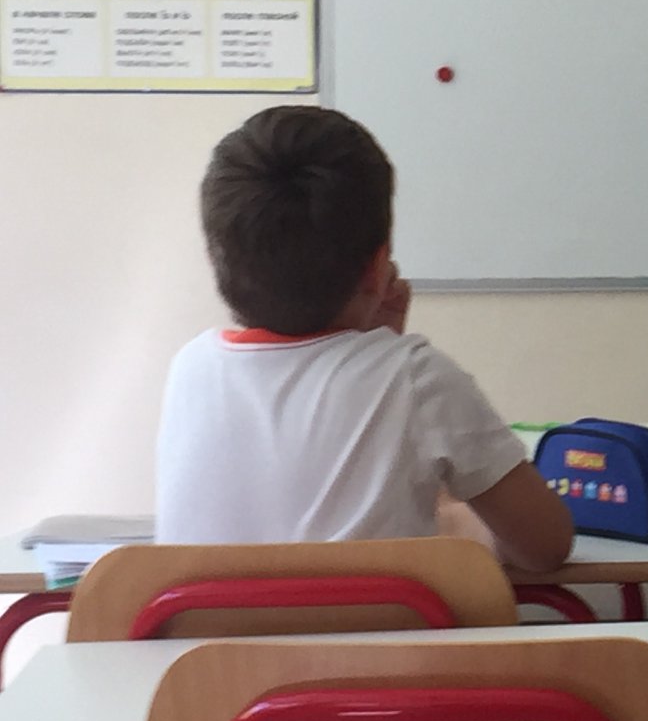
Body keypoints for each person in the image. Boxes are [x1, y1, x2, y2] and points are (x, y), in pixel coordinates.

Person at [156, 106, 573, 572]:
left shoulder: (191, 370)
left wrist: (376, 344)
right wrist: (450, 517)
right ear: (378, 268)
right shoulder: (417, 379)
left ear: (216, 260)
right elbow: (544, 546)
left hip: (209, 625)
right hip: (378, 625)